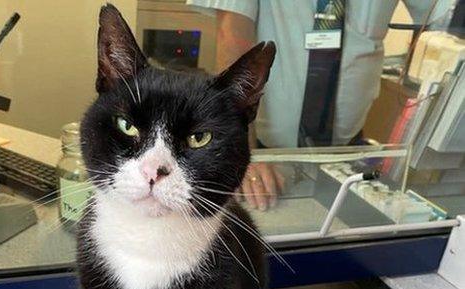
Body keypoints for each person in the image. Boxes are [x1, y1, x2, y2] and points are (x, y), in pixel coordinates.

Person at [187, 0, 451, 210]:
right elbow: (234, 38)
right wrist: (242, 152)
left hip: (349, 153)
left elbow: (443, 16)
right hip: (266, 156)